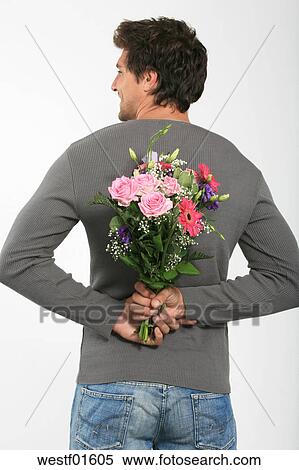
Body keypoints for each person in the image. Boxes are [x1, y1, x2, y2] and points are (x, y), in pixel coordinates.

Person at [0, 16, 298, 451]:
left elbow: (17, 260)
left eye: (121, 70)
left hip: (110, 389)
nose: (114, 83)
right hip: (205, 396)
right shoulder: (236, 165)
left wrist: (111, 315)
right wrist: (188, 303)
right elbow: (289, 276)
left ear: (149, 78)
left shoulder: (86, 156)